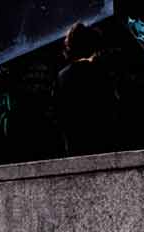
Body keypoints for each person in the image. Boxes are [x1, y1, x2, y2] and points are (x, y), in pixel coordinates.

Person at [55, 22, 121, 156]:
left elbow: (59, 113)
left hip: (76, 145)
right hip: (103, 142)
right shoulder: (100, 72)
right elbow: (112, 105)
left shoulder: (62, 76)